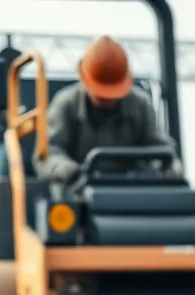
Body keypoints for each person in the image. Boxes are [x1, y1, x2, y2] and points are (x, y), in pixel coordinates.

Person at [33, 35, 182, 184]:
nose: (107, 98)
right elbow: (48, 156)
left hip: (132, 189)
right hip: (76, 195)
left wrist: (171, 165)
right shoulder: (66, 105)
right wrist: (69, 170)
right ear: (84, 80)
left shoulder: (140, 105)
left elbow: (160, 147)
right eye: (100, 92)